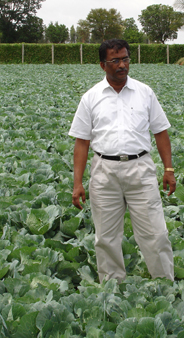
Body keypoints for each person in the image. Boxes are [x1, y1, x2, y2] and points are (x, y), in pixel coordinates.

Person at [69, 39, 175, 283]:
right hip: (104, 170)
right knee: (106, 237)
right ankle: (112, 287)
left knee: (156, 233)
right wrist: (77, 183)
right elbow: (82, 142)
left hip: (140, 168)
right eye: (114, 60)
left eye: (125, 59)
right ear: (102, 65)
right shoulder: (91, 97)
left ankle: (165, 284)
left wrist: (168, 169)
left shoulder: (145, 92)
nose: (122, 65)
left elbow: (161, 132)